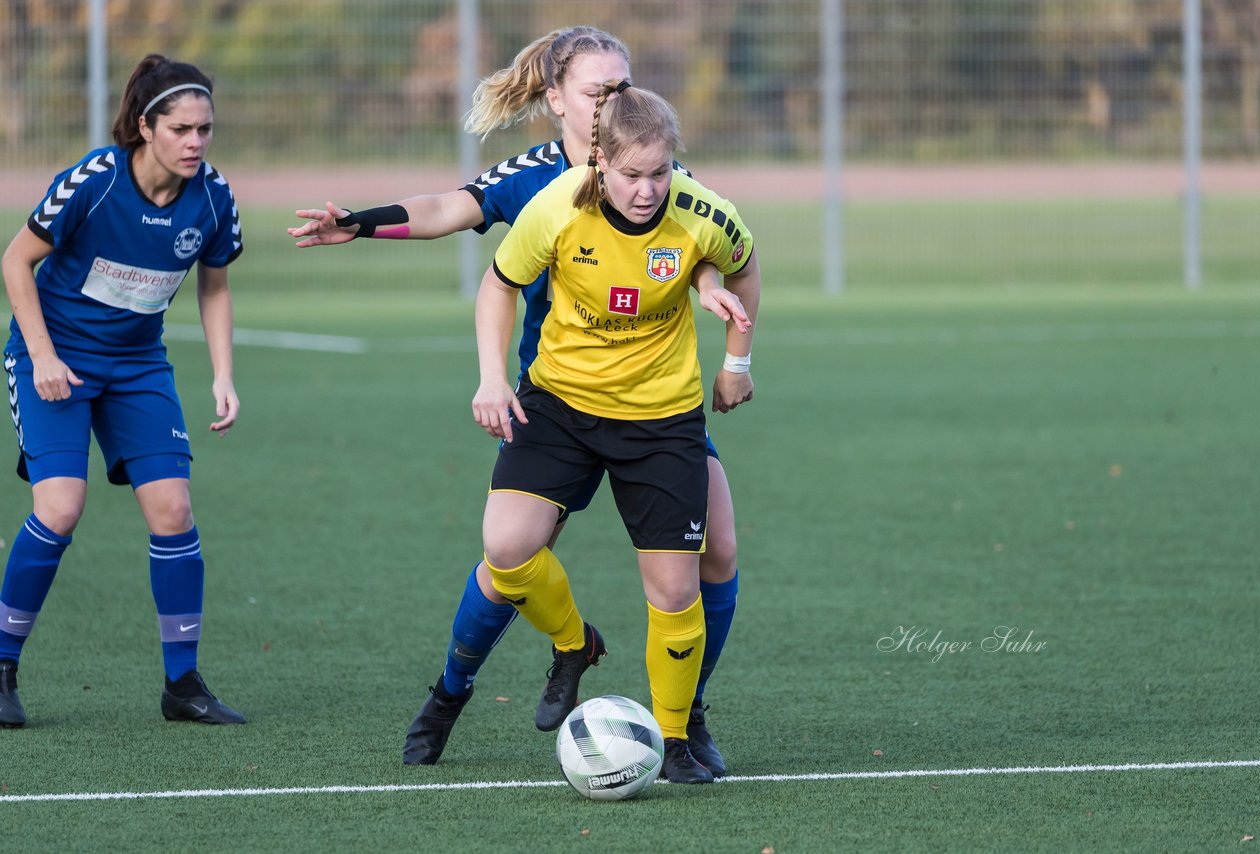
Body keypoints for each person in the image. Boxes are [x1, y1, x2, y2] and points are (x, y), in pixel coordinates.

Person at [289, 26, 751, 776]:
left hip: (655, 400)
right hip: (557, 397)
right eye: (600, 90)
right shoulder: (539, 180)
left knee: (717, 550)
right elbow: (447, 208)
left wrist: (718, 310)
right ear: (557, 101)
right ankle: (454, 689)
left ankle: (684, 720)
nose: (616, 101)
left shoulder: (655, 168)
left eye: (623, 87)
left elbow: (708, 250)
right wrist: (363, 222)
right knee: (507, 554)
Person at [471, 77, 758, 783]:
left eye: (660, 172)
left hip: (662, 419)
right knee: (507, 548)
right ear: (600, 163)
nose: (647, 190)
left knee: (673, 589)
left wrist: (738, 364)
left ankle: (674, 739)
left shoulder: (704, 214)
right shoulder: (557, 208)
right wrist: (491, 376)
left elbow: (745, 267)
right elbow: (500, 284)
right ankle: (574, 644)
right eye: (632, 175)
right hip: (562, 405)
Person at [0, 54, 245, 728]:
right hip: (53, 360)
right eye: (184, 129)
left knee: (172, 509)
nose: (197, 142)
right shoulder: (94, 181)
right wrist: (44, 355)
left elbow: (214, 281)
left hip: (137, 366)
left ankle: (182, 685)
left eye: (206, 129)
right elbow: (15, 261)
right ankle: (1, 665)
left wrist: (223, 374)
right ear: (146, 127)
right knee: (60, 508)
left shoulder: (213, 196)